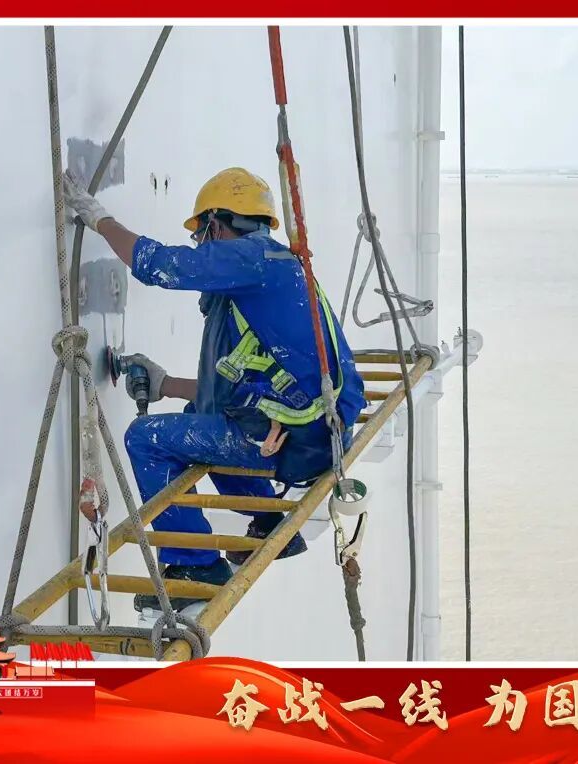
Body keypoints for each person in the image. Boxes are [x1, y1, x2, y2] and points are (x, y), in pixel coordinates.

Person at [62, 167, 365, 615]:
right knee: (197, 420)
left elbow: (159, 265)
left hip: (292, 441)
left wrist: (97, 217)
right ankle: (268, 521)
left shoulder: (251, 258)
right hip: (314, 434)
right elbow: (237, 391)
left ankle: (194, 567)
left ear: (218, 224)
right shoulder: (276, 272)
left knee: (145, 439)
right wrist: (167, 385)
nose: (201, 246)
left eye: (201, 235)